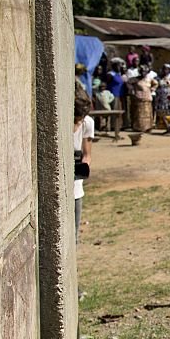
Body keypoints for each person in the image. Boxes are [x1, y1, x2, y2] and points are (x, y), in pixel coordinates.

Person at [73, 92, 94, 243]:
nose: (77, 123)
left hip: (75, 185)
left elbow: (87, 154)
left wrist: (83, 169)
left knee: (73, 233)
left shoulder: (87, 123)